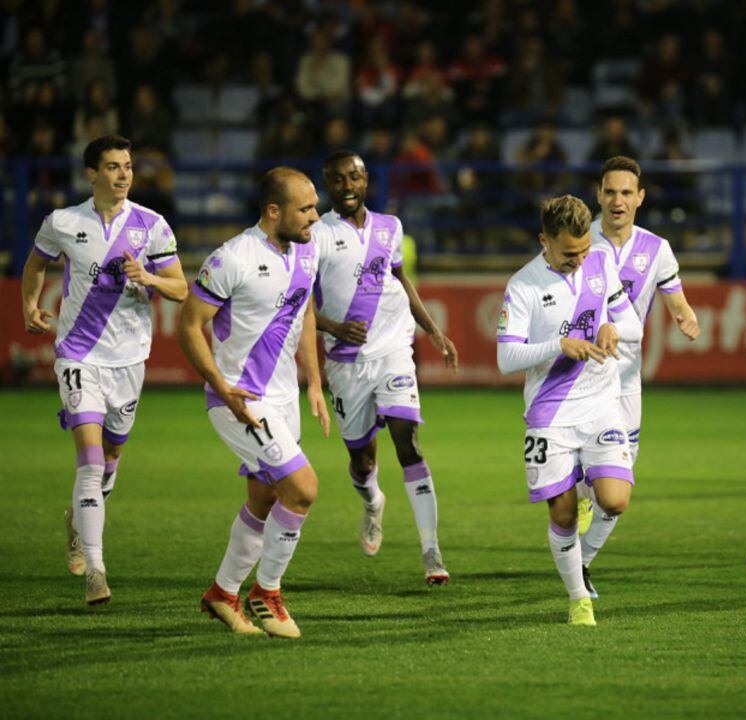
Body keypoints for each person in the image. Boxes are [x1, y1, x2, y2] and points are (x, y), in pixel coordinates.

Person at [21, 134, 188, 605]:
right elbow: (36, 262)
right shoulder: (63, 221)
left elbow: (180, 290)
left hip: (129, 359)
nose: (123, 175)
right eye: (113, 166)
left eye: (129, 166)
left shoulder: (152, 224)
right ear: (91, 173)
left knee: (111, 460)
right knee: (91, 462)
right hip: (78, 355)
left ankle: (77, 518)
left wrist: (148, 276)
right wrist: (30, 305)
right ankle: (96, 568)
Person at [178, 167, 330, 637]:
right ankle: (267, 594)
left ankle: (222, 594)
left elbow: (303, 309)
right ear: (273, 211)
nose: (315, 215)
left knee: (265, 498)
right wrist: (221, 387)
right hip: (240, 399)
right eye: (305, 208)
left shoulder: (310, 245)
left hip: (283, 398)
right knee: (303, 488)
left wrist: (314, 383)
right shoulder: (232, 259)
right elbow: (189, 326)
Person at [496, 195, 642, 626]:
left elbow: (631, 323)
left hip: (600, 404)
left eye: (583, 250)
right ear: (544, 241)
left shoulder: (599, 262)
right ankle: (579, 598)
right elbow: (507, 359)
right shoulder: (523, 285)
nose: (578, 260)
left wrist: (614, 325)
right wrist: (559, 345)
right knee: (561, 514)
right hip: (550, 413)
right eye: (567, 254)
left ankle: (582, 484)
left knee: (614, 502)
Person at [313, 151, 458, 585]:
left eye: (355, 177)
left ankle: (432, 552)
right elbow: (300, 302)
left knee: (408, 442)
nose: (348, 186)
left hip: (395, 349)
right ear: (329, 184)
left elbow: (400, 280)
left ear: (366, 180)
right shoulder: (316, 234)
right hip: (345, 363)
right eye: (339, 180)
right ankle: (373, 500)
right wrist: (335, 327)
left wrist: (432, 330)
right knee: (361, 459)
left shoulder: (390, 227)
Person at [581, 156, 699, 598]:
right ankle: (575, 499)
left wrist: (687, 317)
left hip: (627, 379)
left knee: (621, 481)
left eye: (626, 193)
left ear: (641, 198)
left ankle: (582, 560)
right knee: (586, 482)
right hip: (581, 375)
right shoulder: (579, 238)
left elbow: (676, 300)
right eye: (610, 192)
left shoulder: (657, 248)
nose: (617, 201)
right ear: (599, 194)